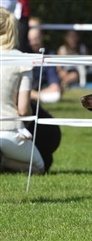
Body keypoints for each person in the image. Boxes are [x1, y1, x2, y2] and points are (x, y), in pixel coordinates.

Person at [0, 7, 45, 174]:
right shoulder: (22, 59)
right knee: (40, 167)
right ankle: (4, 161)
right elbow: (23, 109)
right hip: (8, 131)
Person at [28, 17, 62, 103]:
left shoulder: (49, 55)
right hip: (37, 92)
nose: (33, 43)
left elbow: (55, 87)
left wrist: (32, 95)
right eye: (30, 40)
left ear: (42, 36)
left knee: (56, 95)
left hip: (41, 89)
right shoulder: (21, 54)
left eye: (36, 39)